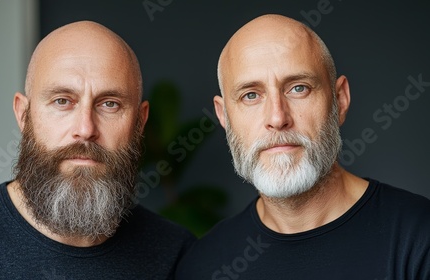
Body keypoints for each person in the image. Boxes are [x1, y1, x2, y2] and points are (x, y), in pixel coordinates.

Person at [0, 21, 195, 279]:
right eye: (62, 101)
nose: (85, 129)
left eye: (110, 104)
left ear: (140, 122)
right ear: (24, 115)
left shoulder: (178, 256)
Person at [176, 14, 430, 279]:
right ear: (224, 116)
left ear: (339, 100)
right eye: (251, 95)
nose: (277, 118)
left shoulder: (419, 239)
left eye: (299, 88)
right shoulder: (202, 266)